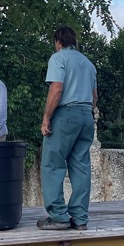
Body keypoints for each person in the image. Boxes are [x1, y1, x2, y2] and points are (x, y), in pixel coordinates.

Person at [37, 26, 97, 230]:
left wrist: (47, 117)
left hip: (66, 114)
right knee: (80, 165)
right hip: (86, 115)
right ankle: (80, 218)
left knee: (52, 163)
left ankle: (59, 216)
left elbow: (57, 88)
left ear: (58, 41)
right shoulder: (88, 63)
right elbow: (94, 96)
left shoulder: (58, 58)